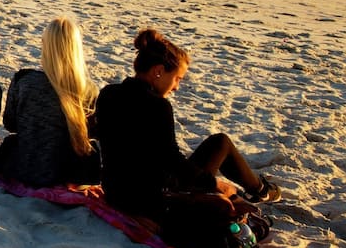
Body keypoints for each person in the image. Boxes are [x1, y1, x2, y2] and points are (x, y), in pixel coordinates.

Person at [95, 28, 281, 223]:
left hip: (115, 192)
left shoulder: (108, 93)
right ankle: (260, 190)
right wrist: (215, 184)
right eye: (177, 78)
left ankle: (260, 189)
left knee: (216, 145)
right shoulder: (158, 106)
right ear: (158, 71)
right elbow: (172, 161)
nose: (176, 87)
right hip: (151, 198)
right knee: (221, 143)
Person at [0, 16, 100, 187]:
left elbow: (10, 124)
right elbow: (92, 133)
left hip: (23, 168)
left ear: (46, 46)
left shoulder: (24, 80)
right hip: (64, 175)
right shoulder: (87, 89)